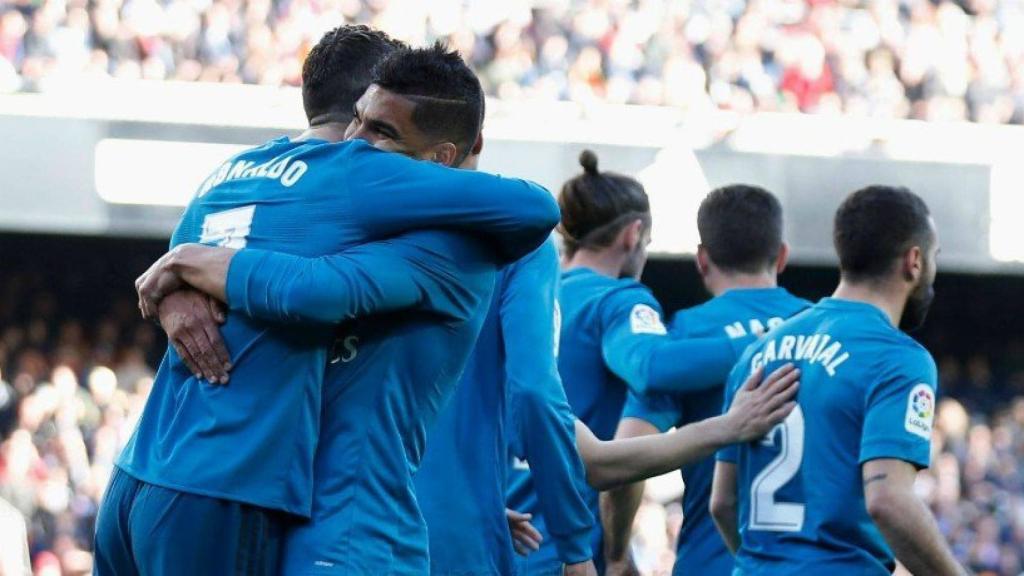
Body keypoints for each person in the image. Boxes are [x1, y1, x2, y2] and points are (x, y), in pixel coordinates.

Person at [94, 32, 561, 576]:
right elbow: (534, 205)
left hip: (139, 479)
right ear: (358, 98)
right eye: (362, 119)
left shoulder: (232, 172)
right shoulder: (354, 173)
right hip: (243, 495)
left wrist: (182, 270)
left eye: (380, 128)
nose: (360, 141)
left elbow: (218, 272)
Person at [505, 152, 765, 575]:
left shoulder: (529, 294)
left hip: (503, 526)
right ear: (633, 234)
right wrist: (758, 341)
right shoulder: (618, 299)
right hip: (561, 544)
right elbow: (650, 363)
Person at [710, 185, 965, 575]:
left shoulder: (757, 353)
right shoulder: (898, 358)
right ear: (914, 261)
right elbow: (888, 501)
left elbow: (722, 503)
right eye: (933, 257)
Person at [601, 185, 810, 576]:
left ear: (701, 259)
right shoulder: (828, 333)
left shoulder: (682, 340)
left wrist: (615, 554)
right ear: (781, 255)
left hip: (712, 565)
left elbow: (625, 463)